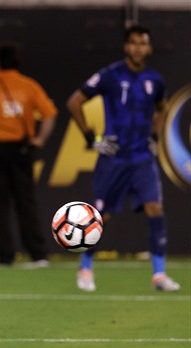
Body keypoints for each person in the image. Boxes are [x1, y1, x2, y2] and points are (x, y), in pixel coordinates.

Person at [66, 24, 180, 292]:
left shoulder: (155, 80)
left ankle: (159, 275)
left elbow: (162, 108)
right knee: (100, 216)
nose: (138, 48)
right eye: (133, 43)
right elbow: (74, 102)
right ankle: (85, 267)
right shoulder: (111, 75)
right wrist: (93, 140)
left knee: (155, 209)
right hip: (114, 157)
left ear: (149, 48)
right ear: (126, 47)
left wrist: (153, 135)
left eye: (143, 43)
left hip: (141, 158)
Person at [0, 43, 57, 267]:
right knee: (25, 202)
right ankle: (38, 254)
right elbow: (50, 114)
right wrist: (40, 140)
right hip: (21, 150)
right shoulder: (29, 86)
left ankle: (5, 255)